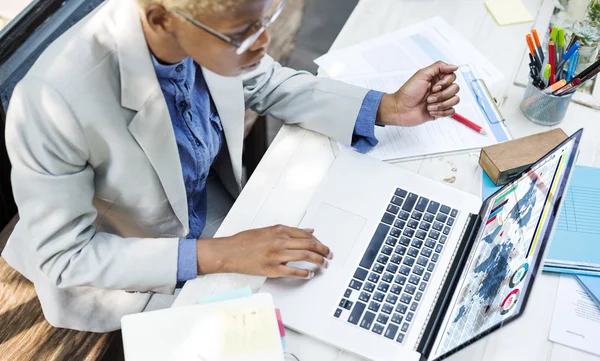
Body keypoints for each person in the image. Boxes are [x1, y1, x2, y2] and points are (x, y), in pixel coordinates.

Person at [1, 0, 460, 332]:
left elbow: (267, 82)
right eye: (244, 34)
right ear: (161, 19)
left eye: (266, 20)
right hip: (127, 264)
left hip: (213, 214)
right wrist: (222, 253)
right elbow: (66, 256)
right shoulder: (51, 102)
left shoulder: (211, 28)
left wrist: (387, 107)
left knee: (346, 273)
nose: (263, 43)